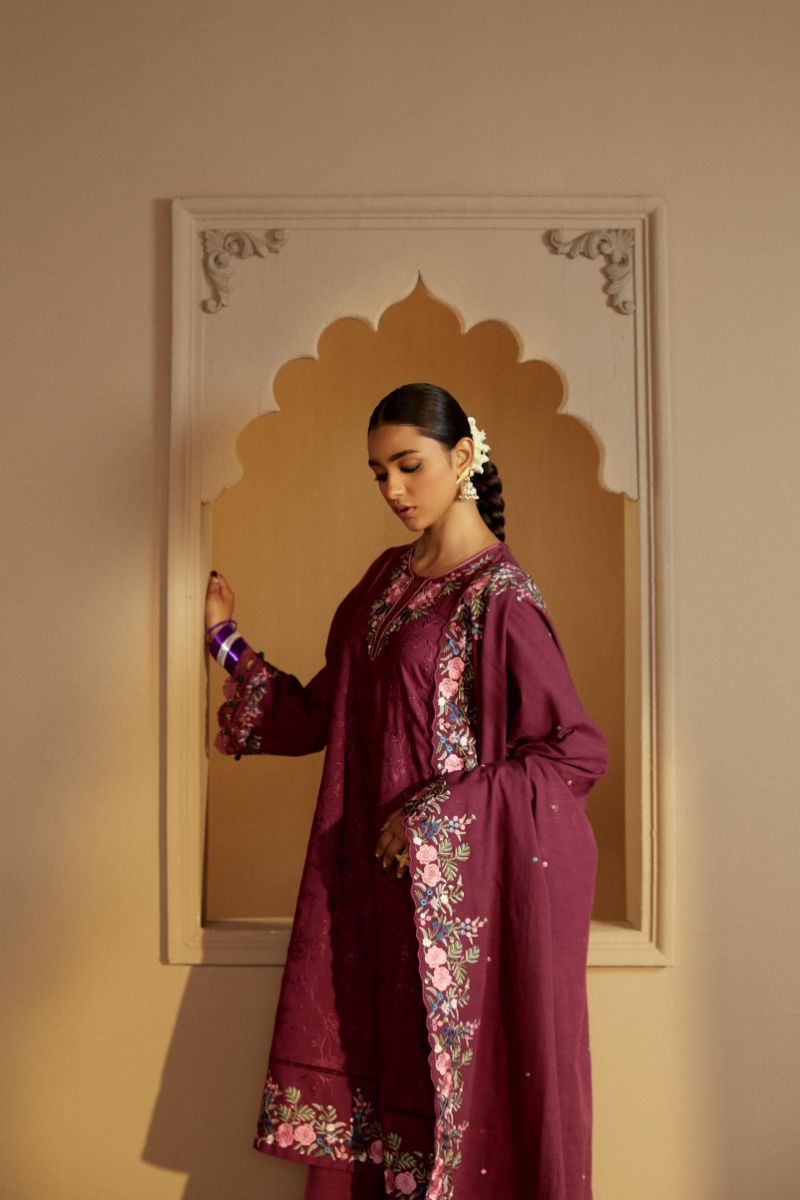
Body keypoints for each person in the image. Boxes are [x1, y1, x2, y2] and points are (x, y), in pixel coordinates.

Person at [204, 383, 608, 1200]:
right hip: (367, 905)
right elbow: (325, 710)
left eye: (408, 465)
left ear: (462, 457)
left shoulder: (501, 599)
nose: (392, 487)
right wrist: (224, 640)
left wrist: (438, 817)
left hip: (448, 919)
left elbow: (573, 754)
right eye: (378, 472)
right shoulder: (387, 578)